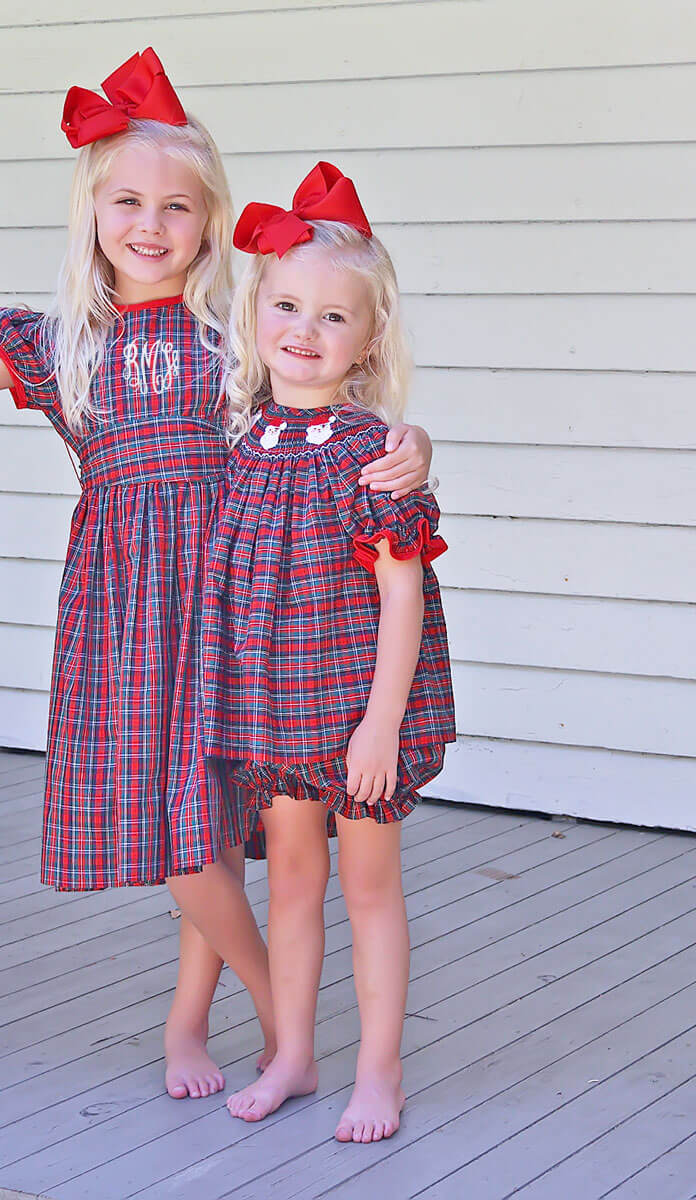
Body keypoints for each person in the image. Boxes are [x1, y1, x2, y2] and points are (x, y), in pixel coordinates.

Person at [0, 52, 434, 1101]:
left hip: (235, 602)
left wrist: (415, 445)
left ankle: (192, 1025)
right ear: (95, 210)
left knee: (209, 824)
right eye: (128, 200)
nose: (151, 224)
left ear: (209, 224)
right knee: (175, 835)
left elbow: (335, 390)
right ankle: (271, 1018)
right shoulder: (69, 342)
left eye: (176, 206)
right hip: (124, 606)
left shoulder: (234, 339)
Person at [201, 163, 455, 1139]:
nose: (305, 331)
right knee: (293, 879)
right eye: (287, 306)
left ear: (371, 337)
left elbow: (403, 594)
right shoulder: (240, 438)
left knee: (368, 887)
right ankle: (295, 1053)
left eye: (334, 317)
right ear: (257, 313)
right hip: (275, 710)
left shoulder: (374, 450)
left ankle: (379, 1071)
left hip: (357, 713)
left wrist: (382, 722)